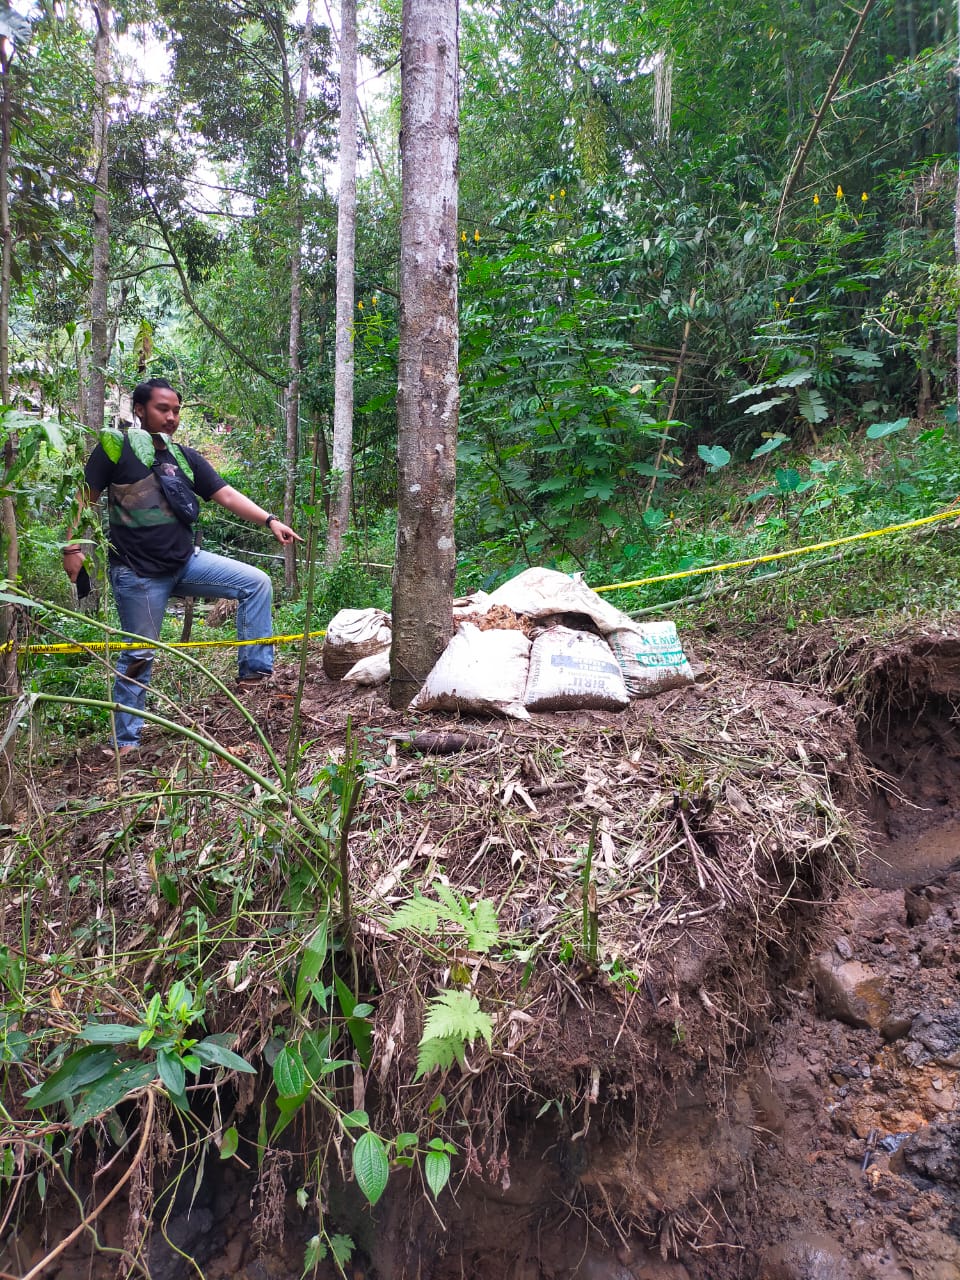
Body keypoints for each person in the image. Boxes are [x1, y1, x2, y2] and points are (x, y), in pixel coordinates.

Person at [62, 378, 302, 753]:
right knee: (139, 653)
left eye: (176, 411)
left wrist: (270, 520)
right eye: (163, 409)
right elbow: (84, 498)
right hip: (137, 572)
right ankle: (125, 742)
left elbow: (224, 493)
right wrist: (71, 548)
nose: (171, 417)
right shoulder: (115, 450)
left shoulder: (184, 457)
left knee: (256, 582)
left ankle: (255, 677)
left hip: (186, 562)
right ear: (139, 410)